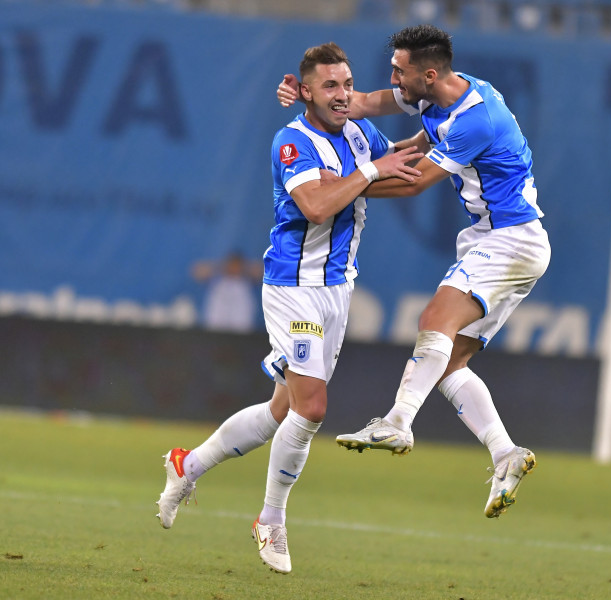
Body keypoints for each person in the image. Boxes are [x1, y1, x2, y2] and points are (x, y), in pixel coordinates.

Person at [156, 42, 423, 575]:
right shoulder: (291, 143)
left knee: (283, 409)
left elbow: (390, 181)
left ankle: (188, 465)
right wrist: (370, 173)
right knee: (313, 406)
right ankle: (270, 520)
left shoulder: (355, 132)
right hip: (292, 287)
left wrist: (422, 147)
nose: (344, 95)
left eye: (347, 84)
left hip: (338, 289)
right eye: (330, 86)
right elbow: (318, 204)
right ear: (304, 91)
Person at [277, 24, 551, 519]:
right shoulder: (433, 93)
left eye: (399, 73)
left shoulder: (475, 118)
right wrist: (299, 93)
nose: (392, 80)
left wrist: (341, 187)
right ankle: (505, 453)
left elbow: (411, 185)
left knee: (433, 322)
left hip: (509, 239)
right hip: (503, 242)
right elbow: (357, 103)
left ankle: (398, 421)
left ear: (427, 73)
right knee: (445, 363)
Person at [191, 251, 262, 333]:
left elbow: (265, 273)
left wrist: (244, 268)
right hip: (215, 328)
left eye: (236, 265)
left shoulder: (246, 280)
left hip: (240, 328)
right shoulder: (218, 279)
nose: (234, 267)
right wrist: (220, 267)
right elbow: (197, 271)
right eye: (231, 264)